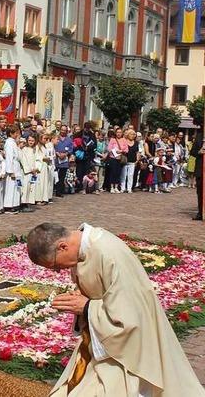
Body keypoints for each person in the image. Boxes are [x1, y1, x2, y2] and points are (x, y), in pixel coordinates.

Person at [26, 223, 205, 397]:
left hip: (126, 353)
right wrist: (81, 300)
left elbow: (130, 316)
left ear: (62, 246)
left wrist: (87, 307)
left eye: (54, 265)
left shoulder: (108, 253)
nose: (58, 271)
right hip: (100, 340)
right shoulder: (83, 250)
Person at [3, 124, 22, 214]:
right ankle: (8, 206)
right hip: (12, 168)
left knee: (16, 187)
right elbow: (9, 157)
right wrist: (10, 171)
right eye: (16, 133)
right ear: (11, 133)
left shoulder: (13, 142)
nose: (17, 135)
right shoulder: (9, 143)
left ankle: (14, 204)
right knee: (11, 187)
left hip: (16, 166)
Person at [20, 134, 38, 211]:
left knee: (31, 188)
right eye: (29, 140)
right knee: (25, 188)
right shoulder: (25, 149)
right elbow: (24, 161)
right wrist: (29, 169)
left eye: (32, 141)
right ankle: (23, 204)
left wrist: (36, 169)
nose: (31, 142)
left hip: (33, 172)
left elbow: (36, 160)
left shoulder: (34, 150)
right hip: (26, 172)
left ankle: (28, 203)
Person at [54, 125, 73, 197]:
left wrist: (66, 154)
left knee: (62, 177)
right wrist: (57, 153)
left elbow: (71, 149)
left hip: (64, 161)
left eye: (64, 130)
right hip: (56, 159)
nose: (63, 131)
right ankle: (54, 190)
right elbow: (52, 146)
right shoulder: (56, 138)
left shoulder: (69, 140)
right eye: (62, 130)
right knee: (56, 176)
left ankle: (59, 191)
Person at [107, 128, 127, 193]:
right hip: (113, 158)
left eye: (120, 132)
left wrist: (121, 151)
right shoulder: (112, 140)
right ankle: (112, 187)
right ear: (115, 133)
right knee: (113, 172)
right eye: (117, 132)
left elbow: (127, 149)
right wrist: (115, 152)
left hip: (120, 158)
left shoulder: (124, 140)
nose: (119, 133)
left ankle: (116, 187)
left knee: (118, 173)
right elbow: (109, 148)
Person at [120, 129, 139, 193]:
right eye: (131, 134)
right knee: (123, 175)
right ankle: (122, 188)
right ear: (128, 134)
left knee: (131, 175)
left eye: (134, 134)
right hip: (125, 161)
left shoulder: (136, 143)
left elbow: (137, 152)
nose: (133, 135)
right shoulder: (124, 141)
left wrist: (137, 160)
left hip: (132, 161)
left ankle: (129, 188)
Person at [190, 133, 204, 220]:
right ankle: (201, 212)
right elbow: (192, 152)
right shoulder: (199, 136)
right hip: (200, 168)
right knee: (200, 191)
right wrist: (199, 151)